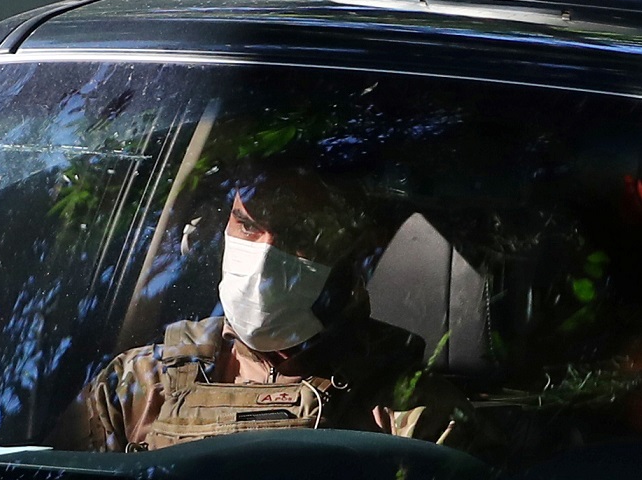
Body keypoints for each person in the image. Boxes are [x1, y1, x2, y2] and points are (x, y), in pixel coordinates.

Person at [55, 170, 425, 451]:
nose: (264, 256)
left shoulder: (404, 410)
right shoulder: (138, 382)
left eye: (297, 237)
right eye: (248, 225)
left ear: (351, 259)